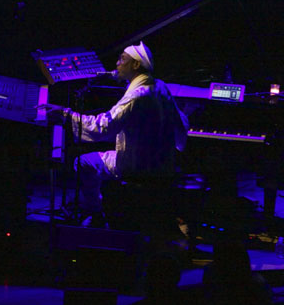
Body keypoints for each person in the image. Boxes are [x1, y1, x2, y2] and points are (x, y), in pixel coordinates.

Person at [45, 42, 188, 224]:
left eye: (122, 59)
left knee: (82, 162)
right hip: (161, 164)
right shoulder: (160, 86)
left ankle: (97, 213)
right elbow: (179, 122)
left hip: (137, 166)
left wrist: (66, 114)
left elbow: (101, 127)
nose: (117, 64)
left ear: (136, 65)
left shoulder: (136, 96)